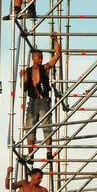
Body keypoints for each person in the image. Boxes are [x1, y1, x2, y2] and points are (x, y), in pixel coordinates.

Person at [20, 32, 62, 161]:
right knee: (29, 126)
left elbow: (57, 55)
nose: (41, 59)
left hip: (43, 100)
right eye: (39, 57)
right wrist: (23, 77)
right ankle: (30, 152)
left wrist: (55, 40)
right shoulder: (28, 71)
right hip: (32, 101)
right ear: (33, 58)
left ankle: (49, 151)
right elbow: (24, 88)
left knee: (47, 125)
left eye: (42, 57)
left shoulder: (45, 68)